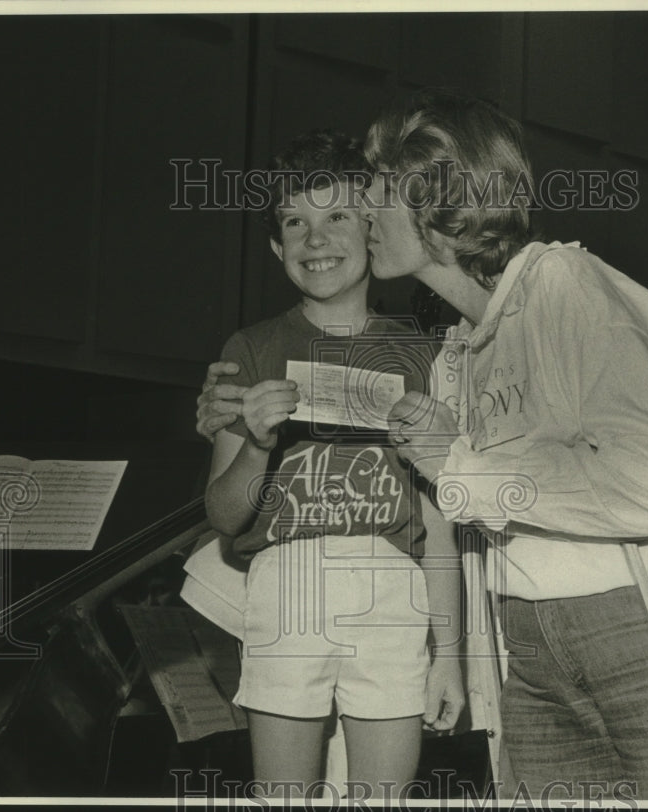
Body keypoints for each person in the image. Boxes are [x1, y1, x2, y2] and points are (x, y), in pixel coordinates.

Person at [197, 92, 648, 801]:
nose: (362, 213)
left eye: (376, 193)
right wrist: (232, 419)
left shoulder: (568, 288)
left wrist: (462, 468)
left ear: (435, 196)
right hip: (536, 646)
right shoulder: (455, 352)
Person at [194, 129, 463, 799]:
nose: (316, 239)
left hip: (393, 588)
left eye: (337, 215)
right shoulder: (252, 348)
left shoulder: (423, 355)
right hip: (286, 587)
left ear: (373, 228)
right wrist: (256, 444)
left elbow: (441, 525)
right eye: (296, 223)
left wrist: (451, 656)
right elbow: (224, 516)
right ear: (277, 247)